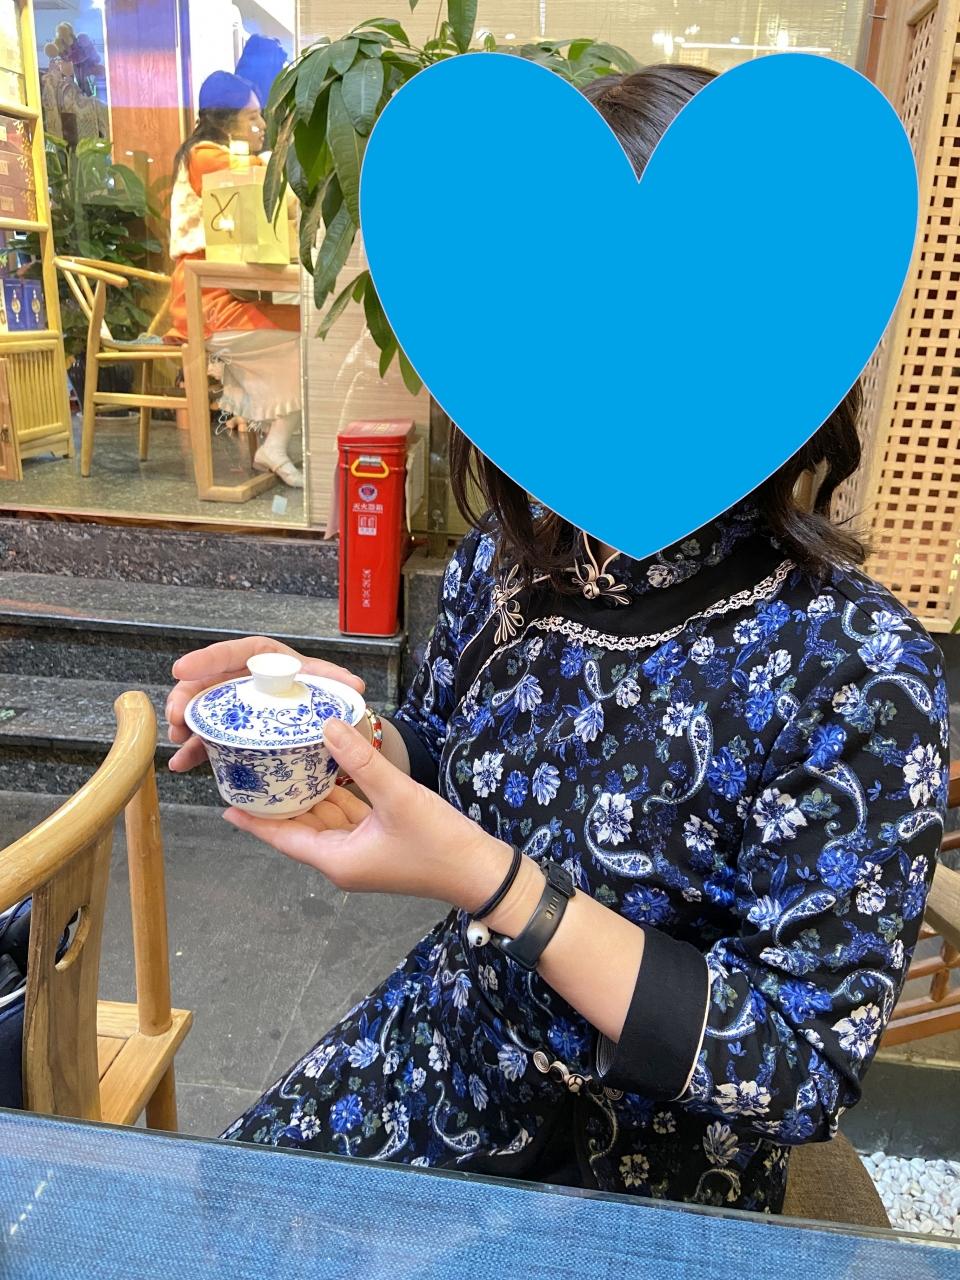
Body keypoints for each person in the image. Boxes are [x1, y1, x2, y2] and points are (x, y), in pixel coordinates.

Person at [165, 65, 949, 1213]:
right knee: (212, 1214)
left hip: (649, 1174)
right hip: (448, 1047)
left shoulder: (859, 668)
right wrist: (345, 731)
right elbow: (450, 751)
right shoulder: (508, 558)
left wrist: (495, 884)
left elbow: (796, 1063)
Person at [167, 70, 303, 487]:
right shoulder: (206, 156)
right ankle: (274, 444)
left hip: (223, 292)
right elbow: (267, 180)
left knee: (306, 330)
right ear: (225, 120)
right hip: (204, 301)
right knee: (306, 335)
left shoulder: (212, 155)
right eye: (252, 116)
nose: (261, 124)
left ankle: (273, 442)